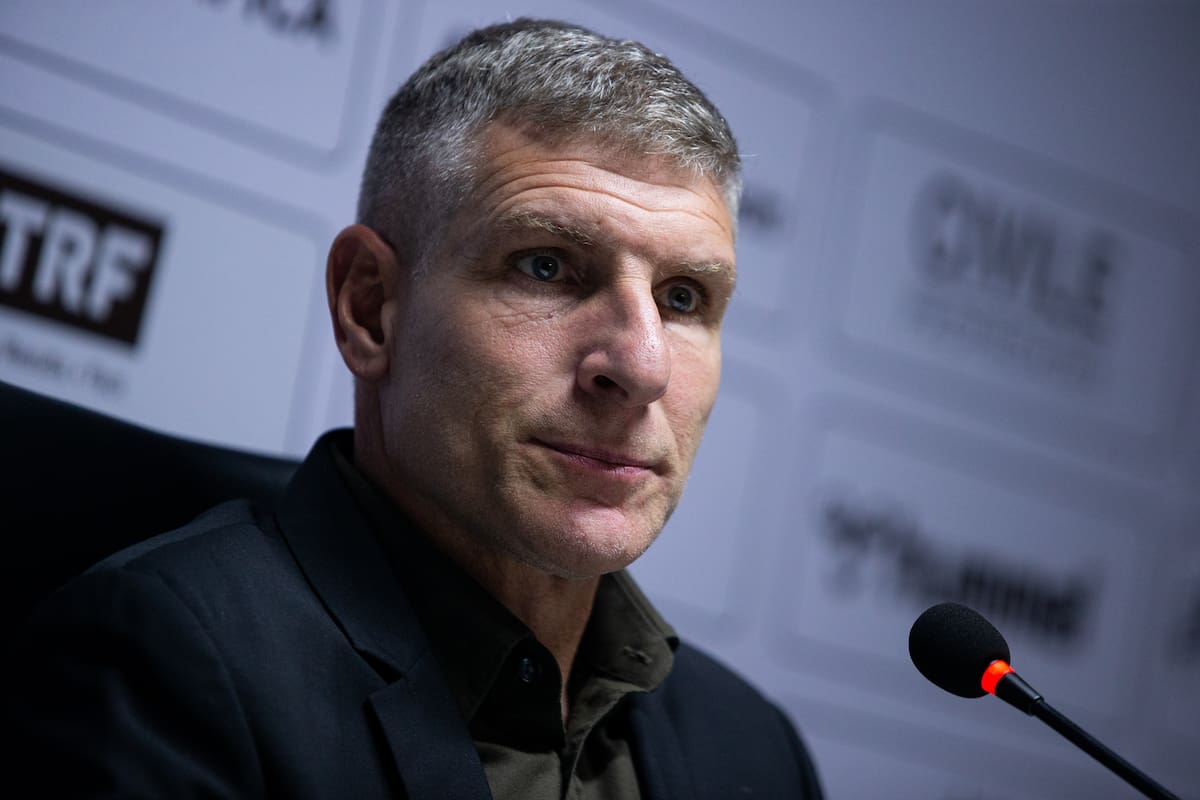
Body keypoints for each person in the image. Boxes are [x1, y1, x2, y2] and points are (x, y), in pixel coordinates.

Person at [7, 19, 823, 799]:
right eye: (546, 266)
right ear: (370, 308)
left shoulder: (754, 747)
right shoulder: (162, 665)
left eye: (683, 297)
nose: (643, 367)